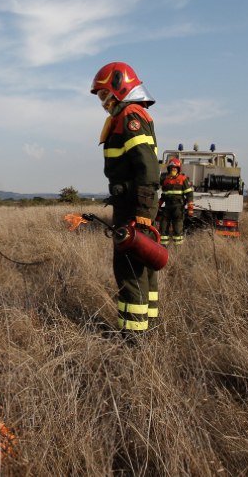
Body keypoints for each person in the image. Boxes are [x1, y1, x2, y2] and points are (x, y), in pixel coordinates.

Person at [91, 62, 161, 334]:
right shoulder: (127, 115)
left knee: (129, 268)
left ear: (119, 86)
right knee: (143, 264)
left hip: (133, 205)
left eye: (103, 93)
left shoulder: (130, 116)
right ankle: (148, 323)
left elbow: (148, 168)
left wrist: (142, 209)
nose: (102, 101)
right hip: (131, 203)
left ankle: (133, 335)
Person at [159, 158, 194, 246]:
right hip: (167, 207)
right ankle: (164, 247)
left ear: (178, 169)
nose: (173, 169)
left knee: (177, 229)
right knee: (163, 227)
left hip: (178, 207)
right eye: (171, 168)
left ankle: (178, 248)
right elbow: (163, 196)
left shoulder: (183, 179)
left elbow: (189, 194)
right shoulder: (166, 181)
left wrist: (190, 208)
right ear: (168, 169)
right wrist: (157, 206)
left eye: (175, 168)